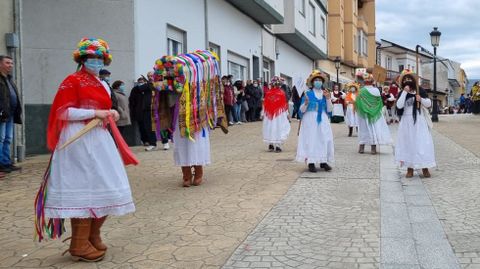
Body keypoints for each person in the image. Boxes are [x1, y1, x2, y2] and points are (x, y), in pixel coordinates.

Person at [37, 38, 135, 261]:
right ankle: (79, 244)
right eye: (92, 58)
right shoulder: (72, 80)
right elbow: (62, 112)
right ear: (82, 59)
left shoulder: (101, 83)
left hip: (99, 138)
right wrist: (94, 114)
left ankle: (93, 235)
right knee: (84, 187)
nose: (97, 61)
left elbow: (103, 108)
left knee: (108, 185)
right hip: (77, 140)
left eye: (100, 58)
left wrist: (112, 113)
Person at [395, 69, 435, 178]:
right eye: (405, 80)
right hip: (406, 122)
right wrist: (404, 92)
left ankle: (424, 167)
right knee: (408, 144)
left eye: (409, 79)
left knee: (421, 143)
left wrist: (420, 99)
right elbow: (399, 106)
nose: (407, 81)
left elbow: (428, 103)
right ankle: (410, 168)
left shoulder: (419, 90)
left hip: (419, 120)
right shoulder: (402, 92)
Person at [296, 70, 334, 172]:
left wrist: (328, 99)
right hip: (310, 121)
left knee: (323, 139)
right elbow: (301, 110)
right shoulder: (307, 94)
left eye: (320, 80)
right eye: (316, 80)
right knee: (311, 139)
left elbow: (330, 110)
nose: (318, 82)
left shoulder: (325, 93)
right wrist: (306, 103)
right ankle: (311, 162)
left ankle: (323, 161)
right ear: (312, 82)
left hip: (323, 120)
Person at [355, 70, 392, 154]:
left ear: (364, 82)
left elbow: (357, 102)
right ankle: (373, 148)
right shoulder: (376, 90)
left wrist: (364, 109)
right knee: (374, 129)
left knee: (364, 129)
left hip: (364, 113)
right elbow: (380, 102)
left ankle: (362, 147)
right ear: (372, 82)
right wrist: (374, 110)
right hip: (374, 113)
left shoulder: (361, 90)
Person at [0, 55, 22, 175]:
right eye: (7, 63)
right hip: (2, 114)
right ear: (0, 64)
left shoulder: (9, 78)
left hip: (10, 114)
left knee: (8, 139)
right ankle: (1, 165)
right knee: (1, 139)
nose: (10, 65)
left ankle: (6, 162)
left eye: (12, 63)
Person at [262, 76, 291, 152]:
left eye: (277, 84)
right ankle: (272, 144)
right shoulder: (269, 93)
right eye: (275, 84)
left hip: (278, 114)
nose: (276, 86)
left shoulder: (281, 93)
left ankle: (276, 145)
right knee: (273, 128)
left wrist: (287, 113)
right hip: (272, 114)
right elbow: (265, 104)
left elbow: (284, 104)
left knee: (276, 127)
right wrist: (263, 112)